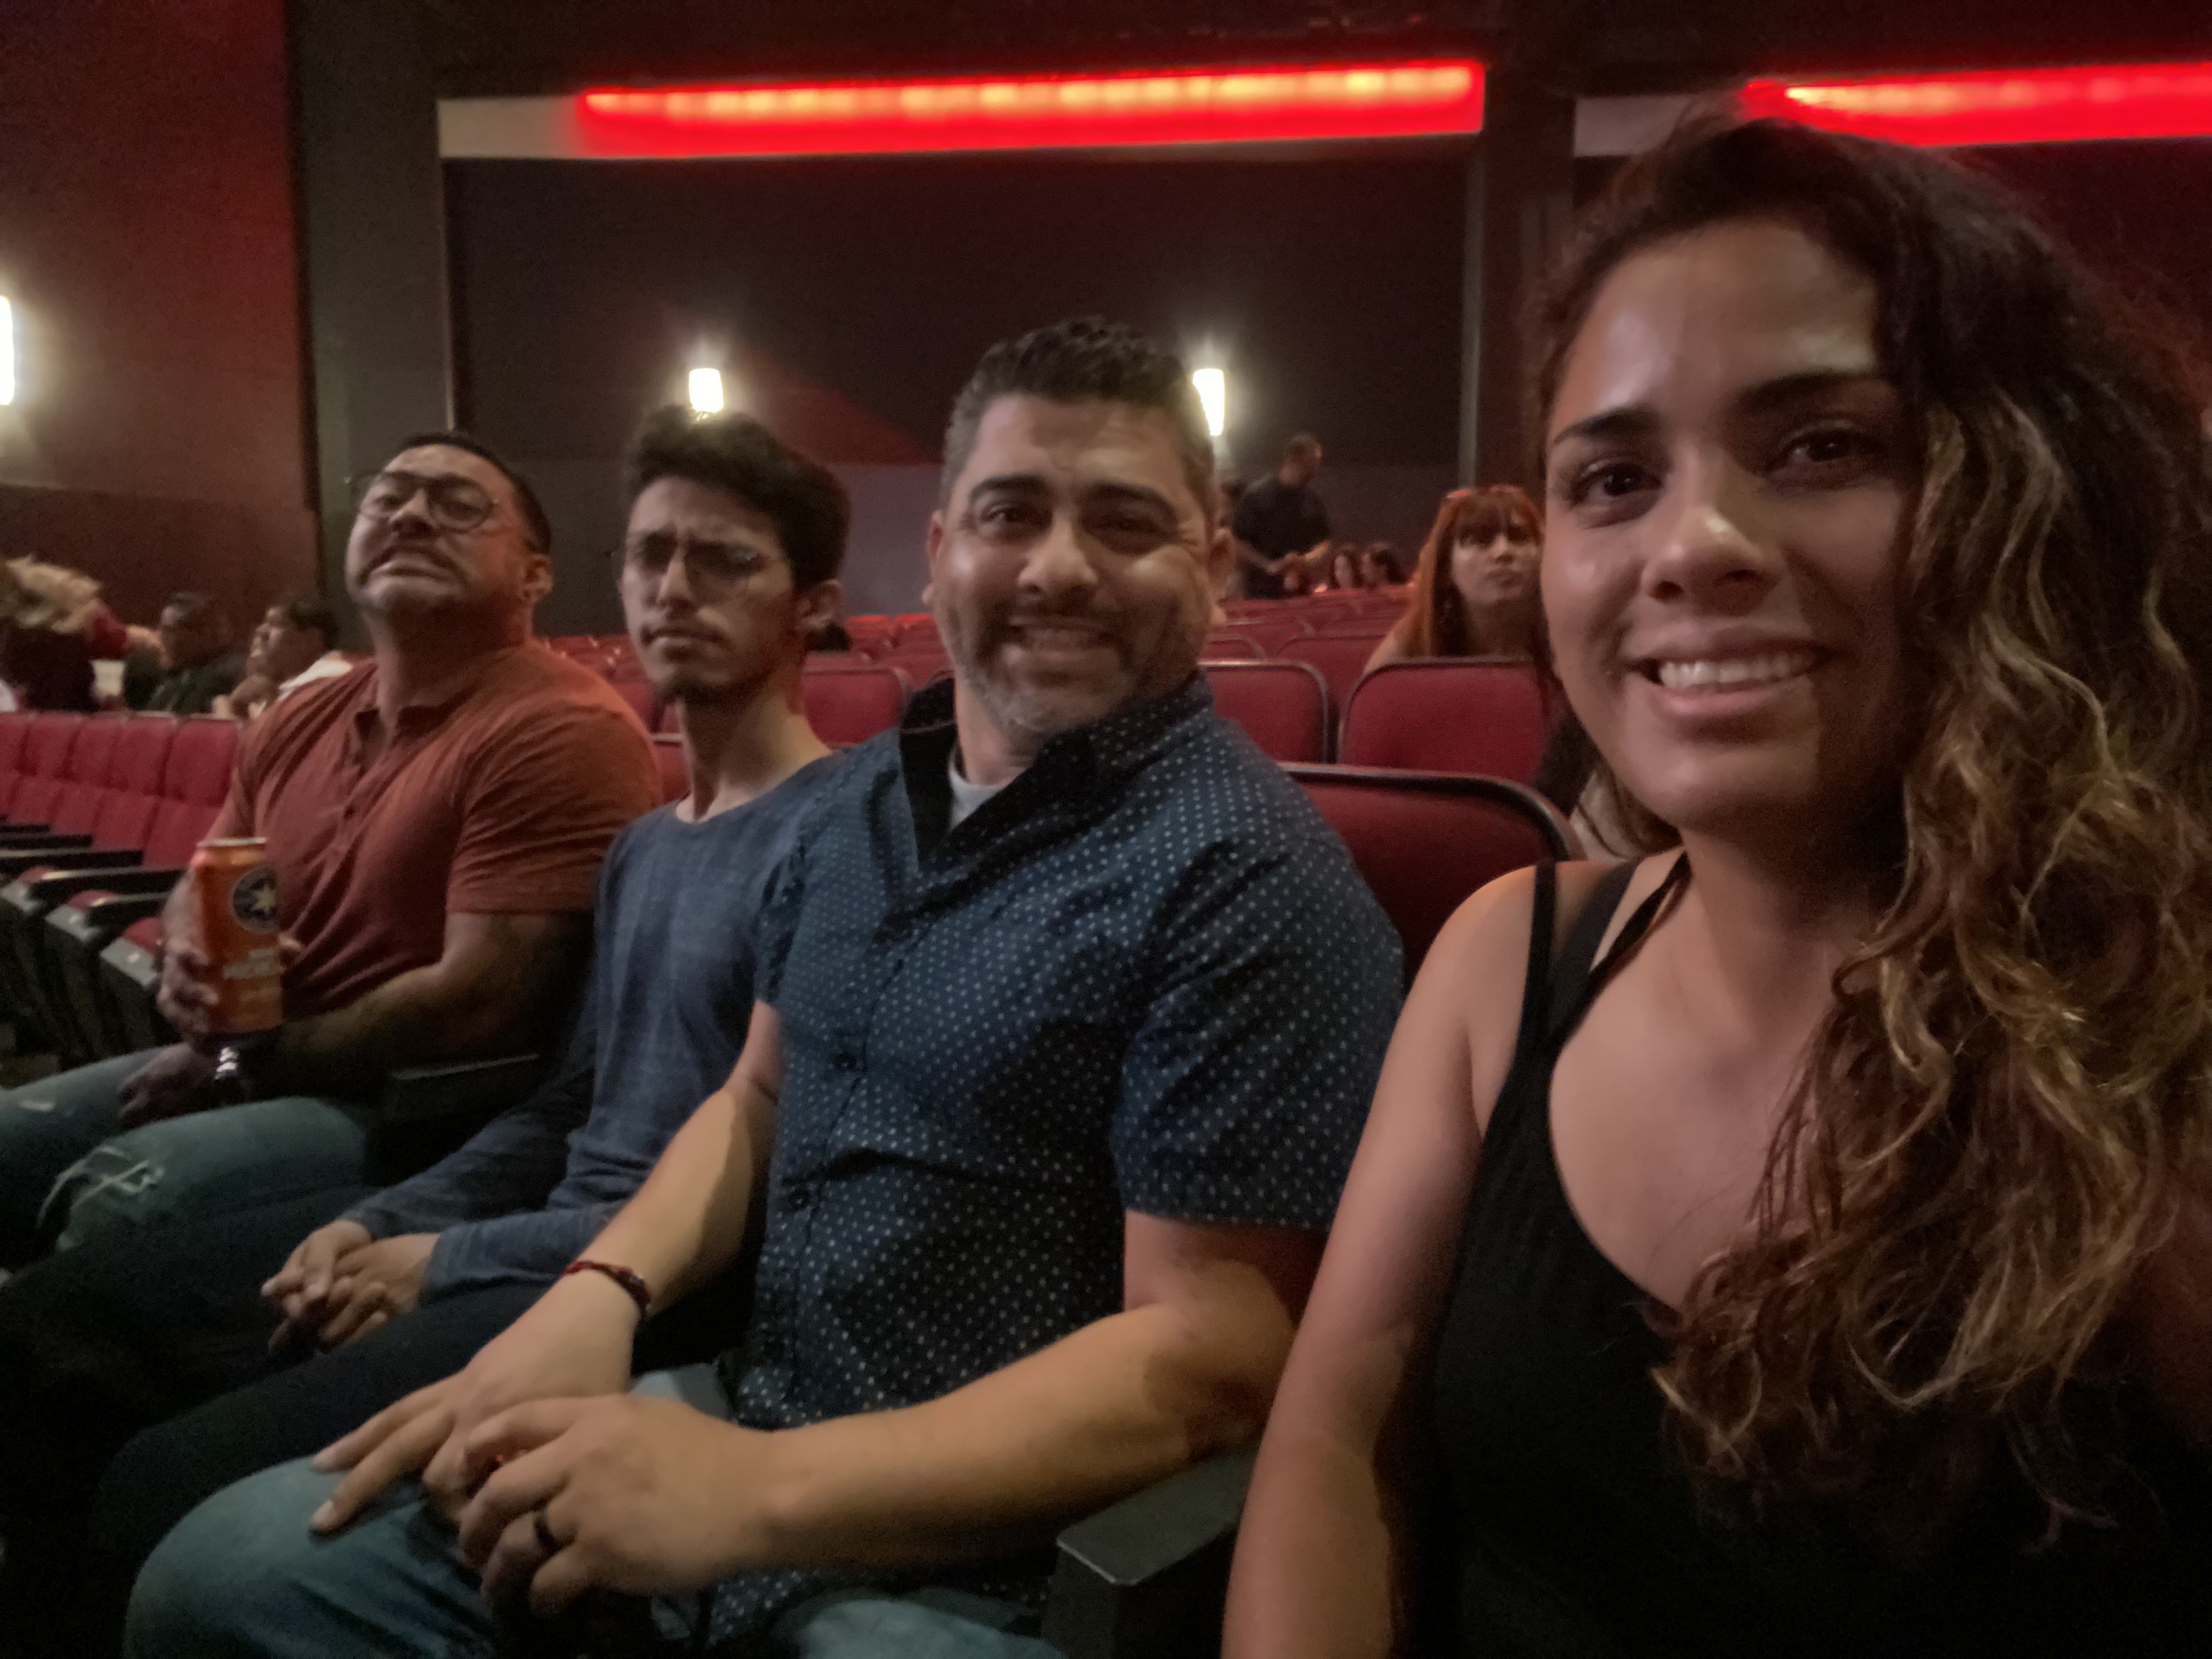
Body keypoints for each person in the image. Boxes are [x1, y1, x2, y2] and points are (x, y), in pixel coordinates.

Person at [129, 317, 1403, 1659]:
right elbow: (756, 1097)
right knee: (222, 1579)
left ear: (1212, 567)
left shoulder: (1248, 873)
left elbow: (1208, 1361)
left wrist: (752, 1493)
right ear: (941, 550)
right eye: (1010, 515)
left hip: (988, 1566)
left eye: (1127, 524)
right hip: (752, 1407)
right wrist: (599, 1294)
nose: (1059, 567)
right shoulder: (855, 805)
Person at [1223, 120, 2212, 1658]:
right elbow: (1334, 1453)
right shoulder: (1509, 957)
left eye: (1821, 447)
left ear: (2024, 490)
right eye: (1615, 478)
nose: (1692, 547)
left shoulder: (2158, 1040)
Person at [0, 408, 852, 1657]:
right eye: (651, 555)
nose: (675, 588)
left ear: (814, 606)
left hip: (655, 1284)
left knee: (158, 1483)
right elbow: (568, 1105)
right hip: (525, 1218)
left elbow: (763, 1187)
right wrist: (384, 1222)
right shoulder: (646, 848)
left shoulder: (839, 831)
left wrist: (443, 1254)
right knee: (53, 1331)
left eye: (724, 560)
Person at [0, 432, 661, 1264]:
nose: (411, 516)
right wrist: (189, 948)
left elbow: (481, 1004)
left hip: (418, 1106)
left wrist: (244, 1064)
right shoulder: (301, 714)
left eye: (458, 505)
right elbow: (210, 874)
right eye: (387, 497)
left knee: (122, 1203)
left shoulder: (562, 728)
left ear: (535, 576)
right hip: (265, 1059)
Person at [1364, 485, 1542, 673]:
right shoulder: (1410, 646)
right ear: (1446, 569)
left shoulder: (1561, 643)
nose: (1503, 552)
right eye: (1481, 540)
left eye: (1519, 538)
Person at [0, 555, 133, 710]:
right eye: (86, 601)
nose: (97, 610)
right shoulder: (62, 650)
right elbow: (66, 709)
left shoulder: (15, 638)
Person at [212, 594, 349, 720]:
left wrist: (229, 708)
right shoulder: (277, 687)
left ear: (311, 640)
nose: (261, 632)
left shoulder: (330, 679)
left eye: (275, 624)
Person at [1232, 432, 1330, 599]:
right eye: (1314, 460)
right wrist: (1269, 565)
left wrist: (1306, 560)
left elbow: (1325, 542)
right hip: (1262, 594)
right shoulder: (1257, 496)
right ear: (1296, 458)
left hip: (1302, 592)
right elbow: (1238, 542)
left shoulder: (1312, 500)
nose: (1318, 466)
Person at [131, 592, 246, 714]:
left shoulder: (223, 677)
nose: (159, 637)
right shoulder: (176, 677)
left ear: (202, 634)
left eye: (168, 631)